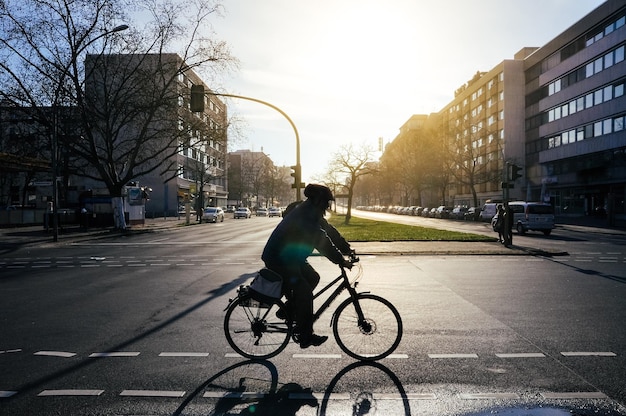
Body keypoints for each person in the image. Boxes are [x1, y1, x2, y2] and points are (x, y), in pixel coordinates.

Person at [261, 184, 353, 348]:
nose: (327, 205)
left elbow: (329, 231)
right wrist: (341, 260)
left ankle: (287, 311)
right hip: (279, 258)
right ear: (318, 200)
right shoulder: (305, 215)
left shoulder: (312, 212)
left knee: (313, 277)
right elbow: (321, 241)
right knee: (304, 292)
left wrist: (347, 249)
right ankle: (305, 336)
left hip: (290, 257)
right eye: (326, 201)